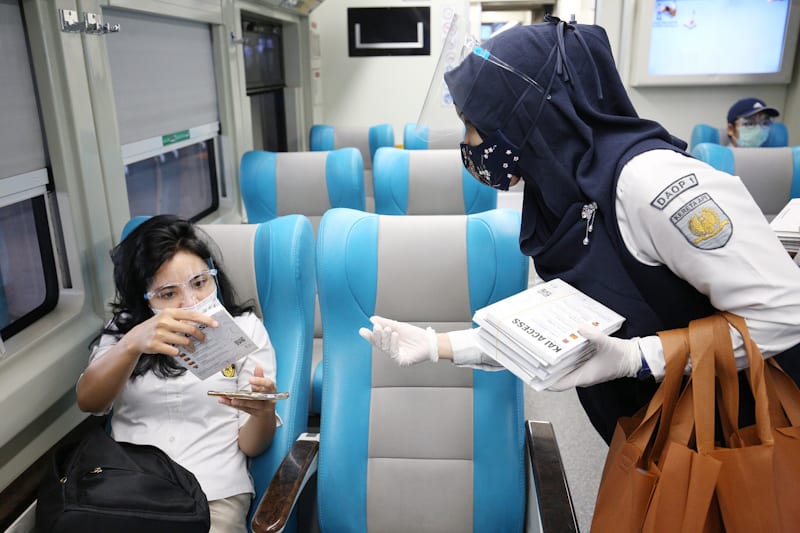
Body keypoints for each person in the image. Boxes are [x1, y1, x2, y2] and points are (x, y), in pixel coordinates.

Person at [359, 16, 800, 444]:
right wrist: (438, 345)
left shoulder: (649, 182)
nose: (468, 143)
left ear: (521, 119)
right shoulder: (558, 191)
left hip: (739, 435)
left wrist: (637, 357)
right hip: (659, 430)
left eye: (473, 126)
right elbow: (563, 328)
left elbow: (784, 313)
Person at [76, 215, 279, 533]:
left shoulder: (246, 330)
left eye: (200, 283)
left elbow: (252, 445)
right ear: (145, 300)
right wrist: (133, 344)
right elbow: (89, 402)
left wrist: (263, 412)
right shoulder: (126, 331)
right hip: (128, 492)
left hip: (212, 495)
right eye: (168, 294)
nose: (191, 302)